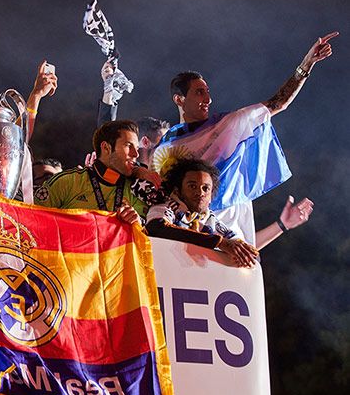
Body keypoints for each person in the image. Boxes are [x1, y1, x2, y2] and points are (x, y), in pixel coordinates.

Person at [152, 32, 338, 244]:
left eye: (207, 92)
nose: (208, 99)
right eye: (199, 92)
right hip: (187, 242)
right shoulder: (165, 147)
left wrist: (306, 64)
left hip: (230, 233)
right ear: (179, 99)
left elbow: (278, 103)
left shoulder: (228, 126)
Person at [34, 120, 161, 224]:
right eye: (128, 146)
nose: (136, 154)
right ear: (106, 147)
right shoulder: (67, 182)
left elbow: (148, 238)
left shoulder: (136, 190)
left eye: (137, 148)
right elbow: (31, 220)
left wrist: (137, 224)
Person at [145, 158, 259, 267]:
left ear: (211, 197)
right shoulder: (166, 208)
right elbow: (156, 228)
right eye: (192, 186)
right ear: (177, 191)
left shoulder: (211, 220)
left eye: (206, 188)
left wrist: (243, 253)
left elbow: (237, 243)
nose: (200, 193)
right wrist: (218, 242)